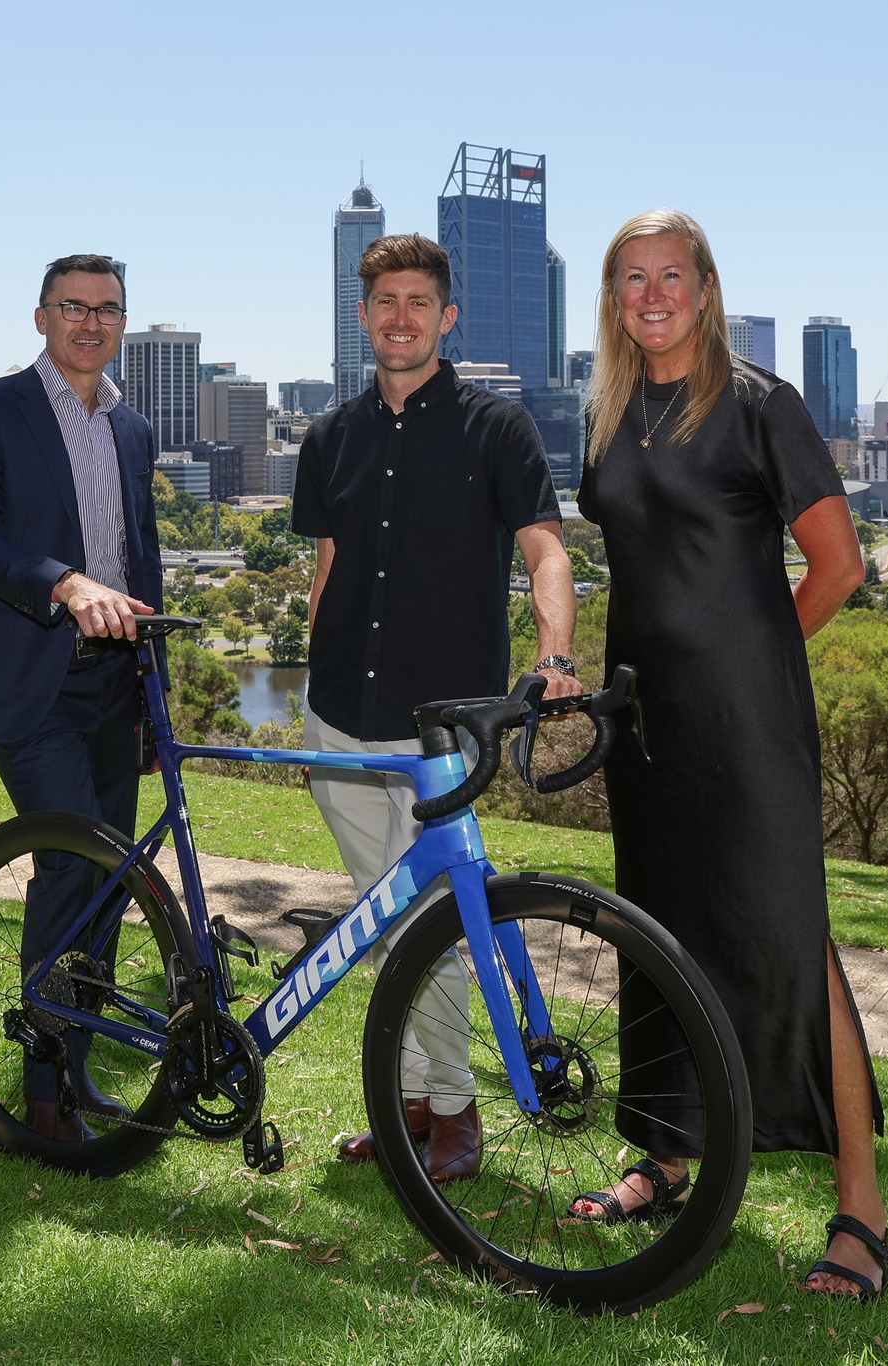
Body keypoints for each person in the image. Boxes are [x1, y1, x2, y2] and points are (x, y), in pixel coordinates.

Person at [571, 210, 888, 1300]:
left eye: (671, 276)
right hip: (643, 729)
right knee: (654, 935)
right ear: (612, 298)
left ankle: (859, 1204)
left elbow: (838, 566)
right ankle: (666, 1156)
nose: (651, 295)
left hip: (746, 729)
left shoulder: (759, 405)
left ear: (706, 289)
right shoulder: (607, 413)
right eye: (631, 278)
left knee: (789, 945)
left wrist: (749, 665)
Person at [291, 233, 582, 1183]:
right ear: (364, 315)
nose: (401, 317)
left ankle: (452, 1112)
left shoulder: (498, 429)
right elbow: (327, 568)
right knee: (386, 922)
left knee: (432, 921)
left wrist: (555, 655)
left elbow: (545, 551)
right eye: (385, 302)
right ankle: (412, 1102)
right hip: (338, 717)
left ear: (446, 316)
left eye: (420, 301)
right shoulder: (330, 435)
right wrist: (301, 683)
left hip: (439, 729)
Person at [0, 253, 161, 1142]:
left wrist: (154, 702)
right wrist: (67, 584)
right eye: (73, 307)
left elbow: (142, 563)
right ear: (40, 318)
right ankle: (42, 1092)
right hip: (33, 682)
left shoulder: (132, 427)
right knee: (70, 864)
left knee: (111, 875)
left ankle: (75, 1058)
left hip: (117, 684)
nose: (90, 323)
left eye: (107, 310)